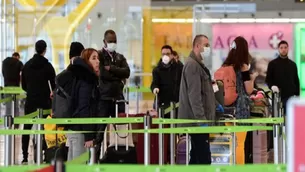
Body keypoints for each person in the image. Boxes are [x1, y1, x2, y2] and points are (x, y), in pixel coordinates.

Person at [178, 34, 216, 164]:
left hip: (198, 120)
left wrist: (215, 104)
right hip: (197, 122)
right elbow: (194, 97)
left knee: (196, 156)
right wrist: (201, 120)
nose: (208, 48)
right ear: (197, 46)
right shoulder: (193, 66)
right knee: (203, 159)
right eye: (206, 45)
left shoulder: (198, 65)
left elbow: (204, 92)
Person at [57, 48, 100, 160]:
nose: (98, 61)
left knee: (73, 166)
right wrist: (89, 136)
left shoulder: (81, 77)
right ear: (86, 61)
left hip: (74, 128)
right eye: (94, 58)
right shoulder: (86, 81)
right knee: (79, 167)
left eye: (98, 58)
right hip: (80, 130)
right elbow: (84, 107)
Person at [222, 36, 258, 164]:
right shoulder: (243, 67)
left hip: (226, 108)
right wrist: (252, 78)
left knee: (230, 143)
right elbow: (248, 90)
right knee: (240, 143)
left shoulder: (225, 65)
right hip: (240, 109)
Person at [21, 40, 56, 164]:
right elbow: (54, 84)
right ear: (45, 50)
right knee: (46, 128)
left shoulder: (27, 65)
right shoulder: (47, 66)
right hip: (44, 101)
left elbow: (23, 85)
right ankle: (46, 154)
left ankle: (25, 157)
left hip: (30, 101)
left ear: (36, 49)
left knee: (27, 128)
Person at [96, 29, 130, 156]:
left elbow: (127, 72)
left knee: (122, 134)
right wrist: (117, 76)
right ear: (104, 41)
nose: (113, 43)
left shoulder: (119, 57)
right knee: (99, 134)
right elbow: (102, 74)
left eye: (114, 41)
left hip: (118, 99)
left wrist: (111, 68)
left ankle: (119, 160)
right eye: (110, 41)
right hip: (103, 100)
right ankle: (95, 161)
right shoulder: (98, 56)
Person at [266, 40, 300, 113]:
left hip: (290, 96)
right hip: (277, 96)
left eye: (285, 47)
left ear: (288, 49)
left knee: (289, 118)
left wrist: (297, 96)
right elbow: (268, 79)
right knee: (277, 118)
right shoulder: (272, 64)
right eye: (281, 48)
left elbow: (296, 81)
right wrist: (272, 86)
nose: (283, 49)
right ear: (278, 49)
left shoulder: (293, 65)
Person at [151, 45, 183, 113]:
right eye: (163, 54)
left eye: (168, 54)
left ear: (172, 55)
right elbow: (154, 83)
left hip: (176, 103)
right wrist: (155, 88)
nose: (165, 56)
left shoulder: (179, 68)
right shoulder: (157, 70)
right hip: (162, 103)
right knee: (163, 122)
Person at [2, 52, 23, 119]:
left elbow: (3, 73)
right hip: (16, 87)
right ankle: (16, 123)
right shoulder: (18, 62)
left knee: (8, 106)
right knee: (16, 106)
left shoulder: (4, 61)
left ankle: (7, 123)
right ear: (17, 57)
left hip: (7, 87)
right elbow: (24, 72)